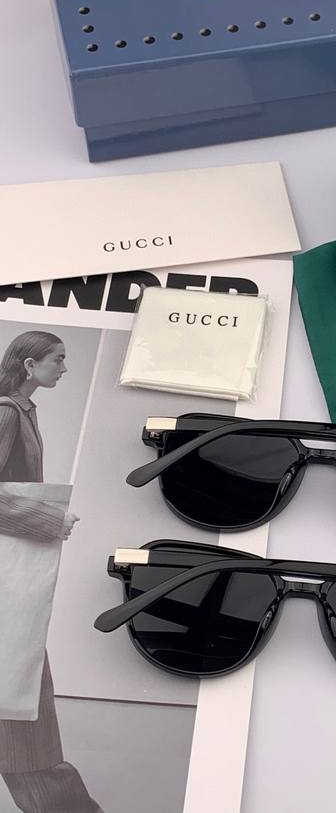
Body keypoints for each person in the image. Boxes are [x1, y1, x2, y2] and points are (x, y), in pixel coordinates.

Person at [0, 331, 103, 813]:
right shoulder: (6, 412)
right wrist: (47, 519)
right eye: (58, 359)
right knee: (21, 687)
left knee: (20, 688)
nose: (64, 368)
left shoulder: (20, 410)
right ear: (28, 364)